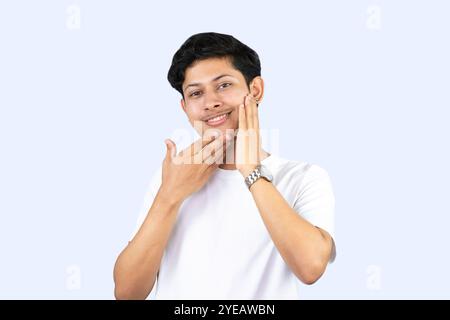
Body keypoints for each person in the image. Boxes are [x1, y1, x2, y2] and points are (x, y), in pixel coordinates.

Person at [113, 32, 336, 300]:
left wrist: (250, 170)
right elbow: (127, 293)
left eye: (223, 85)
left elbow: (311, 267)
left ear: (255, 90)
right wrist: (169, 196)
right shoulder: (171, 179)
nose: (210, 103)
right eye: (196, 93)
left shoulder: (302, 178)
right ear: (185, 108)